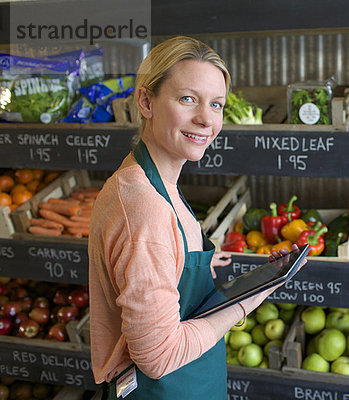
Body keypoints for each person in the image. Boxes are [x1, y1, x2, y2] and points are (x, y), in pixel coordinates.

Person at [88, 36, 304, 399]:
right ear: (146, 101)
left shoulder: (152, 180)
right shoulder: (146, 209)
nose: (206, 119)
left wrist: (192, 261)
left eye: (216, 104)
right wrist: (247, 300)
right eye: (188, 99)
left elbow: (153, 258)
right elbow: (159, 357)